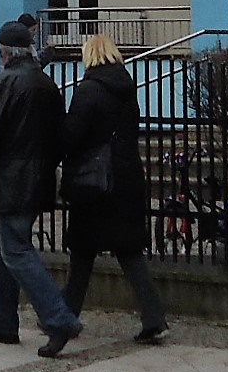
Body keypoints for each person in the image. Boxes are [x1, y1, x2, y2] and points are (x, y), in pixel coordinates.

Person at [0, 17, 82, 357]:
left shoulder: (6, 84)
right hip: (39, 178)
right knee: (6, 247)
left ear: (7, 53)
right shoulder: (45, 84)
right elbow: (60, 136)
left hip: (12, 180)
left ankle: (59, 319)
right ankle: (4, 323)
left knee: (15, 250)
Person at [60, 34, 168, 344]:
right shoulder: (126, 88)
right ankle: (154, 317)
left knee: (82, 252)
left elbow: (73, 134)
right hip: (126, 177)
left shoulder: (88, 90)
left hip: (95, 182)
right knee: (129, 250)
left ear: (89, 56)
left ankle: (64, 317)